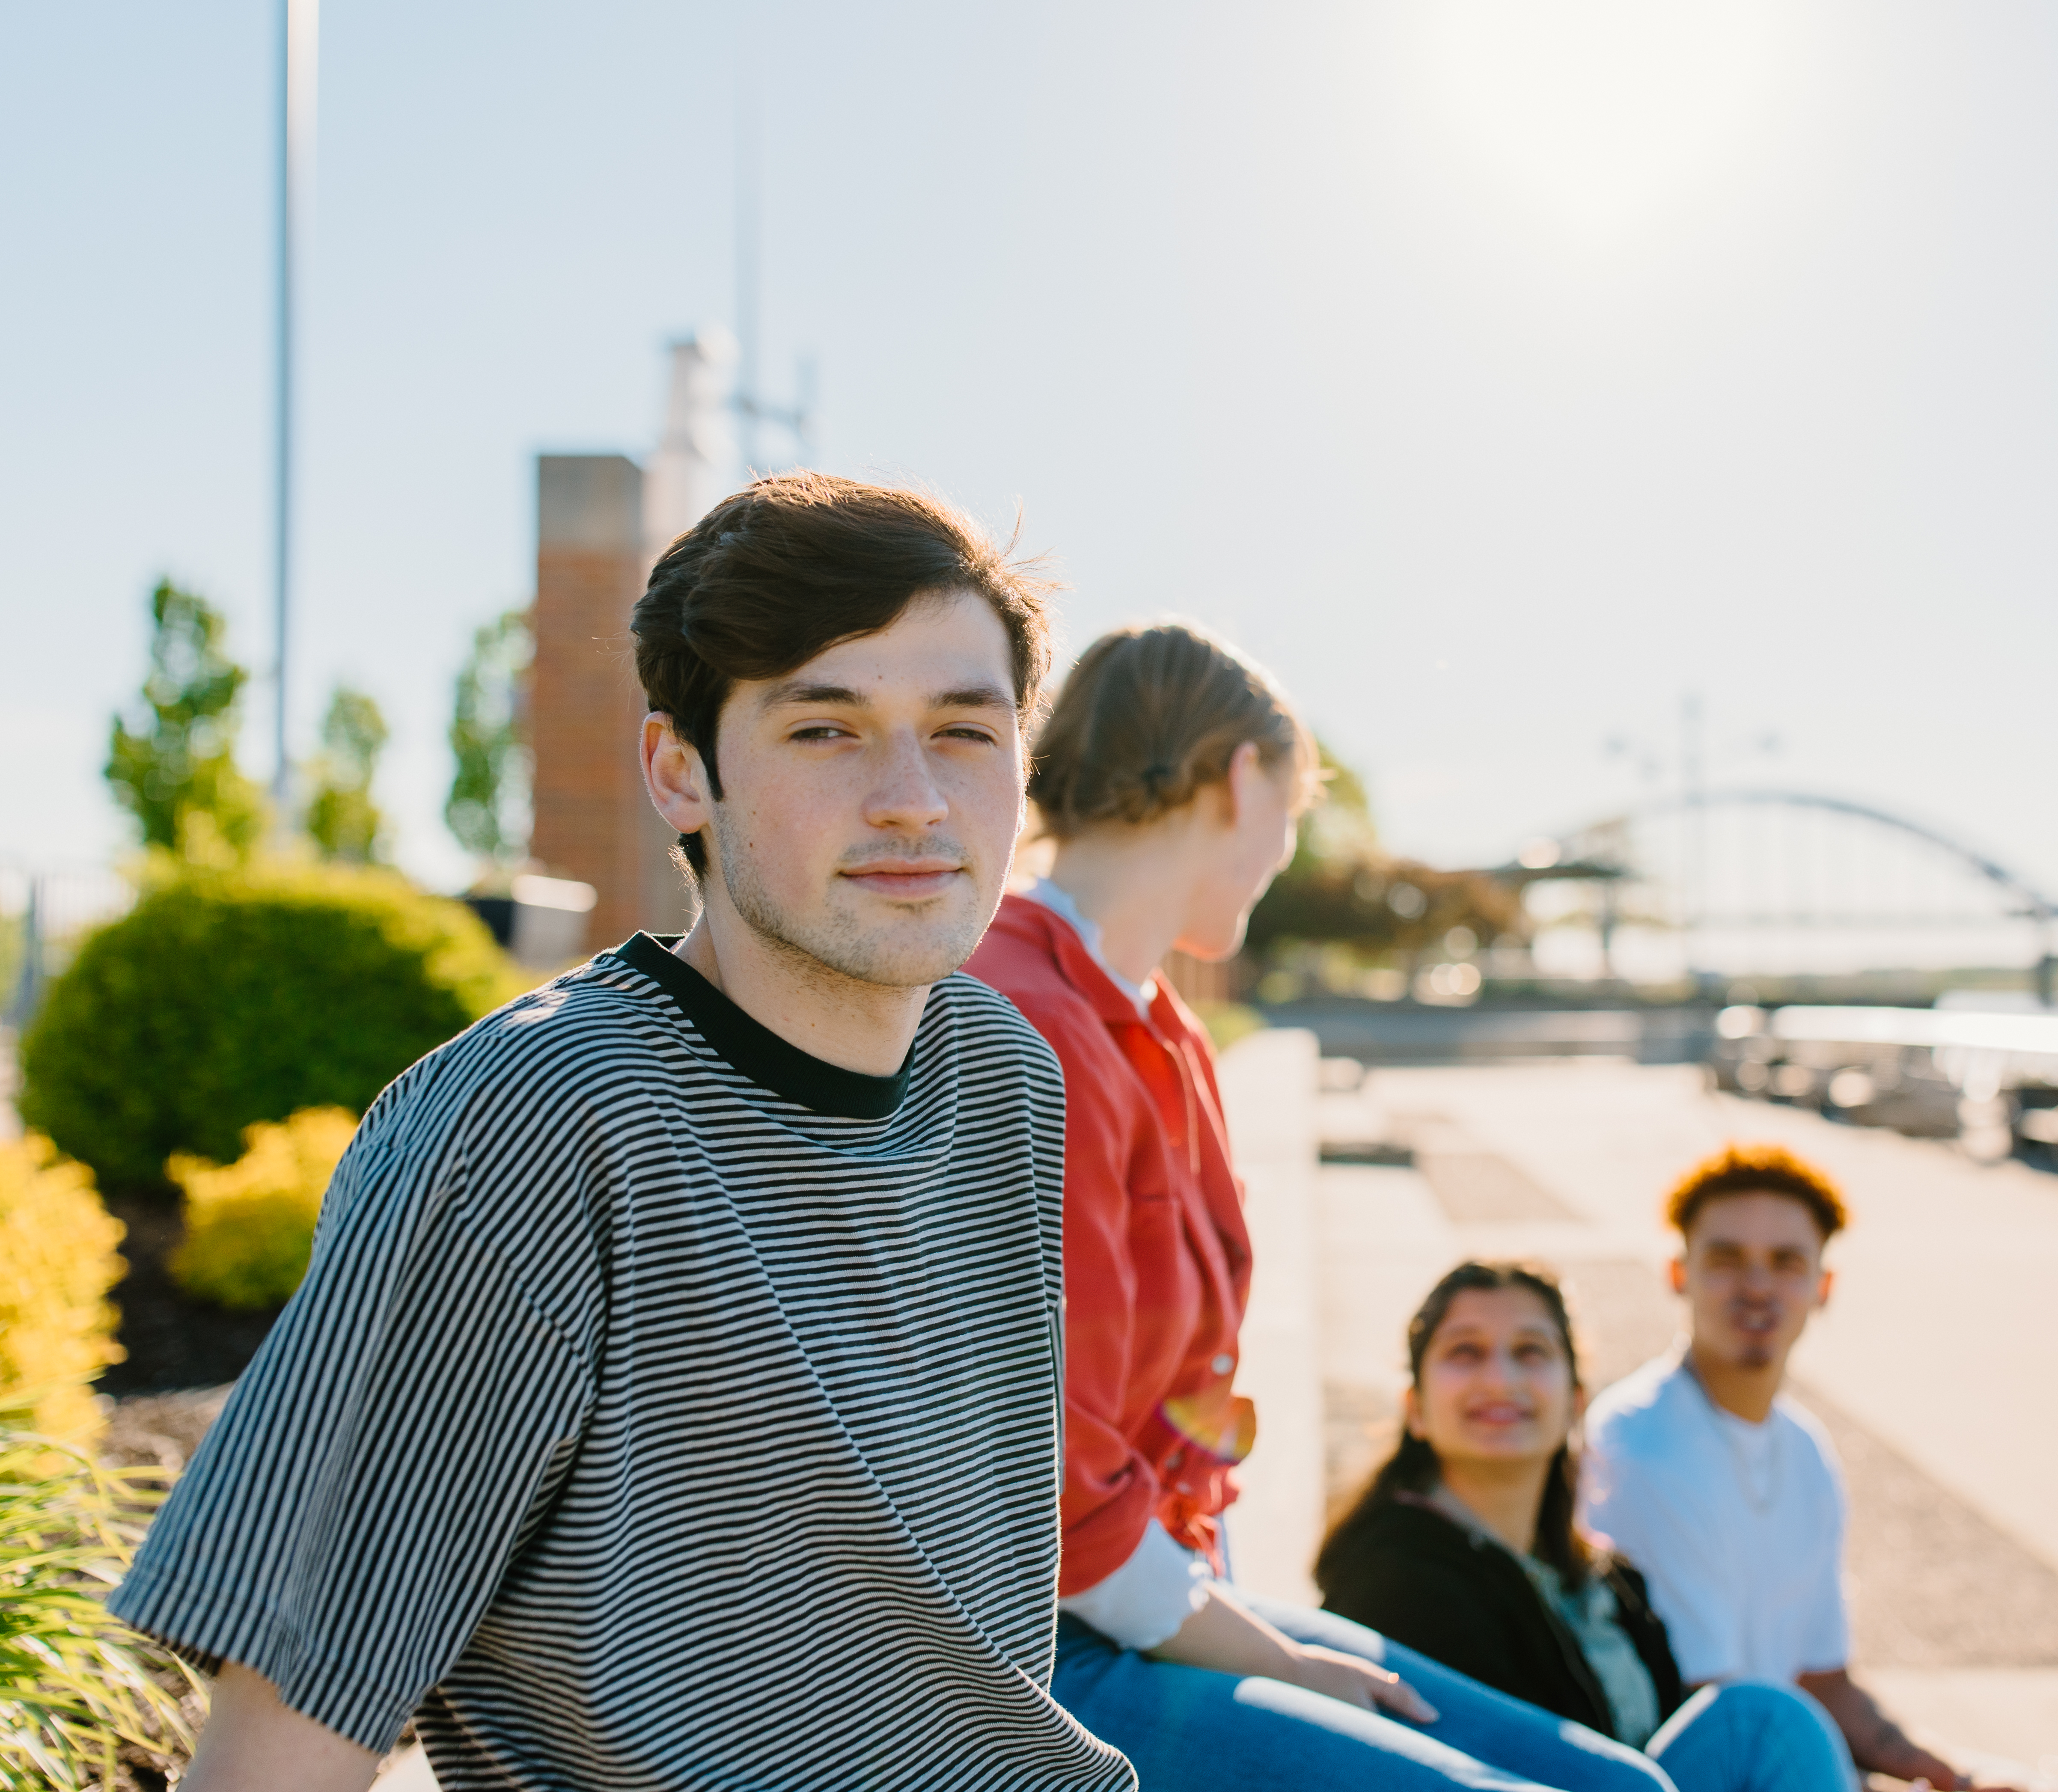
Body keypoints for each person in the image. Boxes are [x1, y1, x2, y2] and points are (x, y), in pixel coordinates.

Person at [114, 475, 1134, 1791]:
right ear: (679, 771)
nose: (911, 798)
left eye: (961, 731)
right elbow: (288, 1732)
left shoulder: (1002, 1074)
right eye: (825, 728)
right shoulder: (536, 1123)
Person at [965, 622, 1668, 1792]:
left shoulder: (1163, 1030)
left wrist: (1244, 1622)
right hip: (1038, 1650)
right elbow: (1059, 1499)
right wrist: (1271, 1653)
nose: (1282, 852)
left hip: (1151, 1594)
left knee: (1621, 1781)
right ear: (1240, 778)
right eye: (1288, 811)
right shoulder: (1029, 1015)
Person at [1316, 1261, 1860, 1792]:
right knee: (1758, 1723)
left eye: (1530, 1352)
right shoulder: (1393, 1575)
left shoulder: (1608, 1581)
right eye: (1466, 1352)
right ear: (1415, 1409)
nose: (1501, 1379)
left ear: (1576, 1401)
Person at [1583, 1145, 1996, 1792]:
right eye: (1726, 1259)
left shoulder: (1805, 1448)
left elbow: (1821, 1681)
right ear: (1676, 1273)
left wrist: (1957, 1774)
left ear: (1821, 1286)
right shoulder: (1641, 1441)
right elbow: (1724, 1717)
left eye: (1785, 1261)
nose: (1756, 1285)